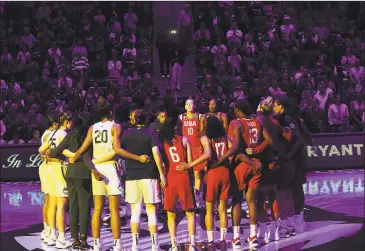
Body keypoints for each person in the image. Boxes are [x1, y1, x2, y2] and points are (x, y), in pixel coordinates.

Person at [72, 104, 149, 251]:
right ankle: (117, 244)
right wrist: (137, 158)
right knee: (114, 209)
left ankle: (96, 244)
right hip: (109, 167)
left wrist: (74, 157)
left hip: (96, 168)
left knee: (97, 209)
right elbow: (117, 149)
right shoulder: (116, 126)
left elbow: (83, 148)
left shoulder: (92, 127)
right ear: (111, 113)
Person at [210, 99, 263, 248]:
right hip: (256, 164)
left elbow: (235, 148)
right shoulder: (258, 122)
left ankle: (236, 237)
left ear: (239, 111)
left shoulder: (236, 123)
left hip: (241, 164)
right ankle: (253, 236)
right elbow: (266, 141)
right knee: (252, 201)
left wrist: (221, 160)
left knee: (237, 201)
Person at [48, 114, 97, 250]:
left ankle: (74, 239)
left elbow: (54, 153)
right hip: (83, 175)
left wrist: (68, 154)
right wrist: (93, 170)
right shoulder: (86, 138)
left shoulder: (69, 137)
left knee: (73, 207)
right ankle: (83, 240)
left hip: (70, 175)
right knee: (84, 208)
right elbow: (86, 157)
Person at [121, 109, 166, 251]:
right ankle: (154, 246)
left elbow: (121, 152)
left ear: (133, 119)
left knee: (135, 211)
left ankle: (135, 245)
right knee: (151, 210)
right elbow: (156, 153)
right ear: (146, 119)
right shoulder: (151, 133)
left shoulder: (126, 134)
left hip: (132, 175)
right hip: (149, 175)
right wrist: (162, 174)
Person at [38, 111, 75, 249]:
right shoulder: (63, 134)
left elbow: (41, 149)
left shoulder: (52, 134)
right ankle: (61, 238)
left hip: (50, 169)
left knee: (51, 203)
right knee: (61, 205)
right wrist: (78, 155)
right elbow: (65, 152)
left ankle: (51, 234)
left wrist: (48, 157)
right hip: (59, 169)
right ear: (67, 122)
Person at [159, 122, 197, 251]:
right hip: (183, 177)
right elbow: (189, 161)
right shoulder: (184, 139)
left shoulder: (162, 144)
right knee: (190, 212)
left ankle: (174, 245)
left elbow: (162, 163)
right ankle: (192, 244)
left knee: (170, 214)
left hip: (170, 178)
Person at [273, 96, 307, 235]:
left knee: (295, 188)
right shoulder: (286, 118)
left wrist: (289, 155)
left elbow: (299, 140)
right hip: (296, 157)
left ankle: (298, 220)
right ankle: (295, 220)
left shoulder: (287, 119)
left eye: (275, 105)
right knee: (292, 189)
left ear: (281, 106)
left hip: (297, 158)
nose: (274, 107)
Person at [204, 116, 232, 250]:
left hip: (213, 173)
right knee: (223, 209)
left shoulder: (207, 139)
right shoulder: (226, 138)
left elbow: (206, 156)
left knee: (209, 210)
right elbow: (233, 151)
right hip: (225, 172)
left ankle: (210, 241)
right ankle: (223, 240)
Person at [176, 99, 205, 208]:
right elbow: (178, 134)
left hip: (197, 148)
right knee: (186, 175)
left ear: (194, 105)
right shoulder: (180, 117)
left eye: (191, 103)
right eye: (187, 104)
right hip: (185, 149)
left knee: (197, 175)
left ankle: (198, 199)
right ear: (184, 106)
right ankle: (187, 199)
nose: (189, 105)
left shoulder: (200, 116)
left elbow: (203, 132)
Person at [38, 112, 59, 243]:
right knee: (50, 201)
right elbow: (46, 154)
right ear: (55, 124)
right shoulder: (49, 135)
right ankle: (48, 230)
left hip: (47, 167)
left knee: (48, 200)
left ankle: (47, 229)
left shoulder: (48, 133)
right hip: (48, 167)